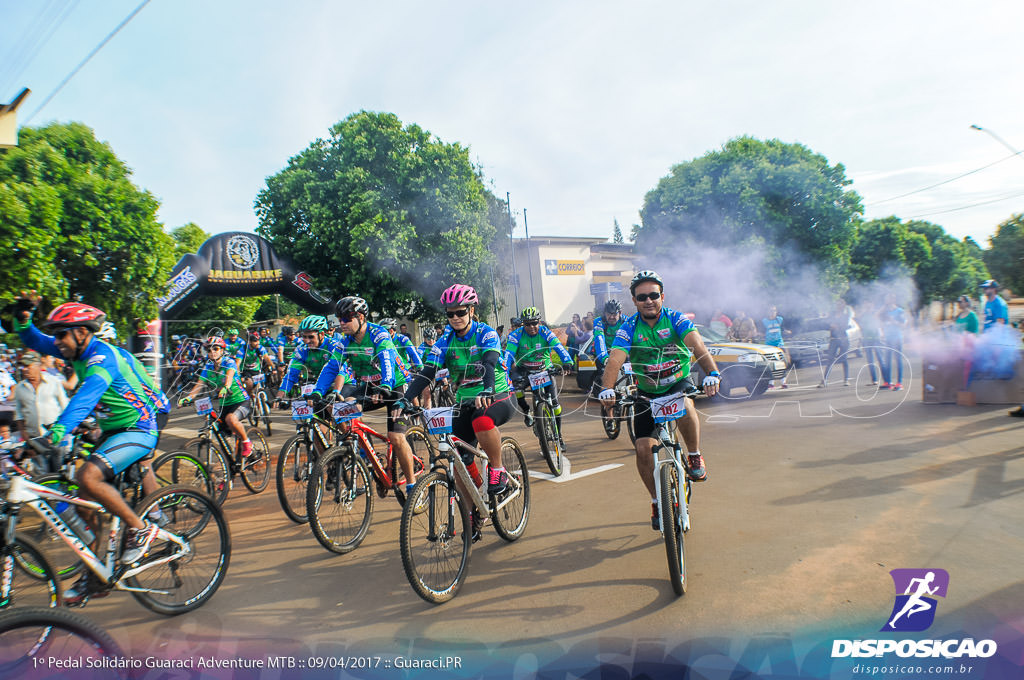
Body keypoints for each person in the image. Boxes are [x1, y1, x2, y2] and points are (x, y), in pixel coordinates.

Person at [13, 300, 171, 603]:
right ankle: (97, 576)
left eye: (62, 335)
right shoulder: (74, 348)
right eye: (57, 336)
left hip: (140, 426)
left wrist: (56, 434)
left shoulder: (102, 358)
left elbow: (84, 399)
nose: (57, 342)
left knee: (89, 478)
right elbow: (37, 341)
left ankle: (141, 528)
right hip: (114, 428)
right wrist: (23, 321)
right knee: (87, 504)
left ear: (82, 332)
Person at [598, 270, 721, 530]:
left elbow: (698, 347)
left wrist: (712, 373)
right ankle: (656, 500)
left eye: (653, 295)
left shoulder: (675, 319)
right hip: (647, 391)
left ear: (662, 296)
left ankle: (695, 455)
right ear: (634, 301)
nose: (648, 300)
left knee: (686, 405)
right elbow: (616, 359)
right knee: (643, 449)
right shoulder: (628, 326)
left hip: (677, 381)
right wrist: (607, 389)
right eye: (642, 297)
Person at [403, 284, 514, 537]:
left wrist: (486, 390)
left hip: (497, 395)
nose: (455, 318)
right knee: (456, 457)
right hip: (465, 401)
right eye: (450, 314)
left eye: (460, 312)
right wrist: (407, 398)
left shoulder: (486, 333)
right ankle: (474, 506)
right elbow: (428, 372)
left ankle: (497, 470)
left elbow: (489, 362)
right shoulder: (444, 341)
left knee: (482, 421)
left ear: (472, 311)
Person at [312, 297, 418, 494]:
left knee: (395, 437)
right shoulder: (345, 342)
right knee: (343, 407)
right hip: (369, 385)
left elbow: (387, 360)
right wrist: (318, 392)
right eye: (339, 319)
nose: (341, 323)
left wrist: (385, 385)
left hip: (394, 385)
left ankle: (412, 485)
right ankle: (367, 457)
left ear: (360, 317)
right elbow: (331, 367)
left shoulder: (379, 335)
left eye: (346, 318)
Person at [504, 307, 572, 446]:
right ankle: (526, 411)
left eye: (534, 323)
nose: (531, 327)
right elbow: (509, 355)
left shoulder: (545, 332)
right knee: (516, 389)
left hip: (544, 369)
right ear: (523, 324)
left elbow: (558, 347)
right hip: (525, 369)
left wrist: (567, 361)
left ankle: (559, 436)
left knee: (556, 406)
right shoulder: (516, 335)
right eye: (527, 324)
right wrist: (504, 371)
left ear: (539, 322)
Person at [179, 336, 254, 457]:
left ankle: (247, 442)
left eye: (216, 348)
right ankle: (232, 463)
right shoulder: (208, 367)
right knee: (220, 431)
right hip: (224, 404)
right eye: (209, 350)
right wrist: (188, 398)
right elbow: (199, 385)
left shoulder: (229, 362)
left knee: (231, 419)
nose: (212, 352)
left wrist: (226, 387)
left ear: (222, 350)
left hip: (241, 401)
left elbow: (229, 376)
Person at [13, 350, 69, 441]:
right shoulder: (19, 388)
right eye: (23, 366)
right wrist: (24, 434)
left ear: (38, 366)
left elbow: (65, 406)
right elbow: (19, 415)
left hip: (54, 435)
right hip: (33, 437)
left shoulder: (53, 382)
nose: (24, 369)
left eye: (27, 366)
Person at [591, 299, 625, 396]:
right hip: (605, 353)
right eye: (608, 314)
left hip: (621, 352)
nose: (611, 317)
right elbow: (599, 339)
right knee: (604, 381)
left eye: (614, 314)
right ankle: (606, 406)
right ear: (604, 313)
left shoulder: (626, 321)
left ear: (620, 313)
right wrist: (605, 357)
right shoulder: (599, 321)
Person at [235, 328, 276, 396]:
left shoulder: (260, 347)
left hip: (256, 370)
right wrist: (238, 375)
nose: (258, 343)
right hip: (245, 370)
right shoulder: (242, 349)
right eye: (255, 341)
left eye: (258, 341)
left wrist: (273, 368)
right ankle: (249, 396)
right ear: (250, 342)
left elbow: (266, 358)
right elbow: (237, 363)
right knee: (249, 384)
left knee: (257, 387)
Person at [879, 298, 907, 390]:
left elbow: (903, 325)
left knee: (898, 360)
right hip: (888, 338)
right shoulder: (885, 312)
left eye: (888, 300)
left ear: (893, 300)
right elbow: (878, 318)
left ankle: (899, 383)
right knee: (887, 360)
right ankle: (888, 382)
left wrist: (893, 321)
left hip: (897, 338)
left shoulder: (899, 311)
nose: (886, 302)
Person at [761, 305, 790, 389]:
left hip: (779, 344)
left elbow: (783, 328)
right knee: (771, 364)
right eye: (771, 311)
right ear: (768, 312)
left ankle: (783, 382)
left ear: (776, 312)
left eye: (774, 311)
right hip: (769, 345)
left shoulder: (779, 319)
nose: (772, 312)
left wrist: (787, 331)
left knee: (782, 363)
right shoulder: (764, 321)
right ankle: (771, 383)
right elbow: (762, 332)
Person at [857, 300, 883, 386]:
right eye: (866, 304)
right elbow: (861, 328)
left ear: (872, 305)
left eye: (869, 304)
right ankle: (874, 380)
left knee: (881, 359)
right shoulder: (863, 315)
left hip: (876, 339)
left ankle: (886, 379)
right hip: (867, 340)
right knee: (870, 361)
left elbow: (880, 324)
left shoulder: (876, 314)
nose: (868, 305)